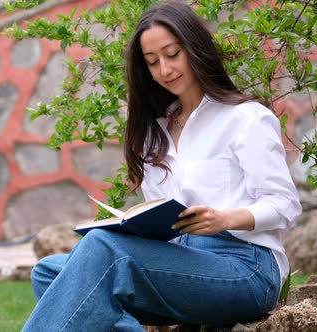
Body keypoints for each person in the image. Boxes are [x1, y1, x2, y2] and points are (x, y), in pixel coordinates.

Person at [21, 0, 302, 330]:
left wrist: (224, 218)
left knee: (100, 253)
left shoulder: (245, 119)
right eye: (153, 62)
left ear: (195, 48)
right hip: (181, 263)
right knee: (50, 271)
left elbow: (285, 204)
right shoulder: (155, 132)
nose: (165, 70)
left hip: (245, 267)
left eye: (172, 54)